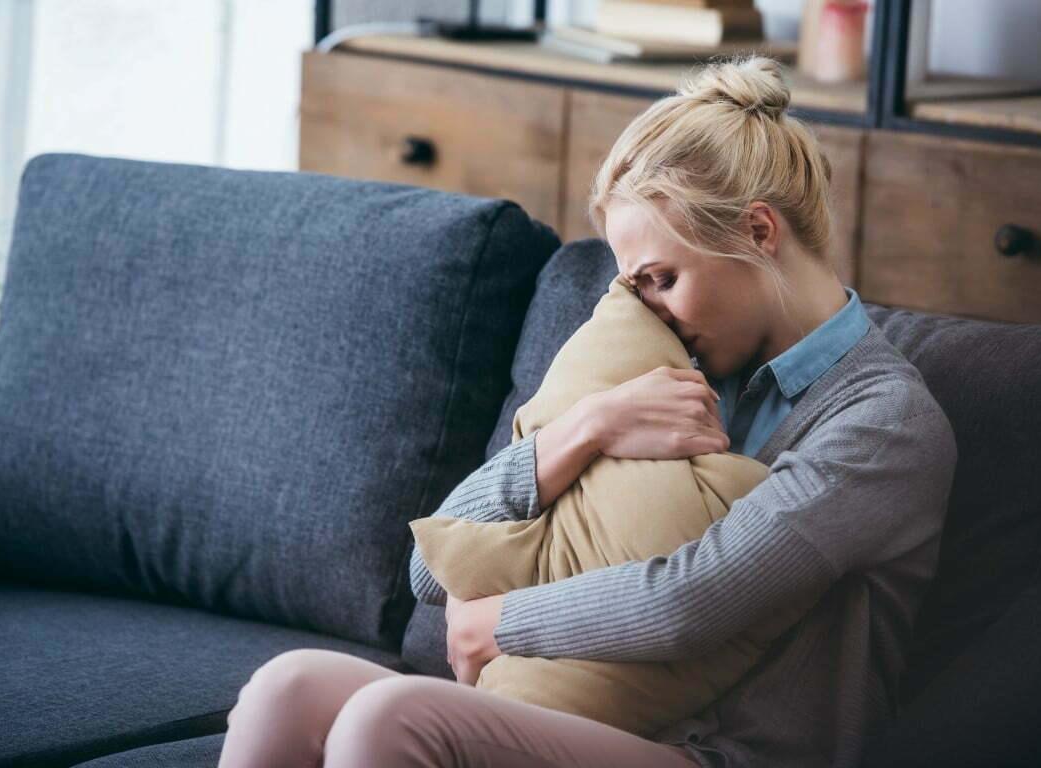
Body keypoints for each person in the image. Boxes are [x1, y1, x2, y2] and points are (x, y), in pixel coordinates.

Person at [216, 55, 958, 768]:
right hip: (574, 716)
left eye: (661, 279)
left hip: (720, 751)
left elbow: (692, 600)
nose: (650, 310)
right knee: (293, 685)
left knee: (392, 716)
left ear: (758, 232)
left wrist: (500, 623)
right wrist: (586, 428)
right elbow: (431, 572)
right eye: (636, 288)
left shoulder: (880, 424)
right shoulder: (664, 371)